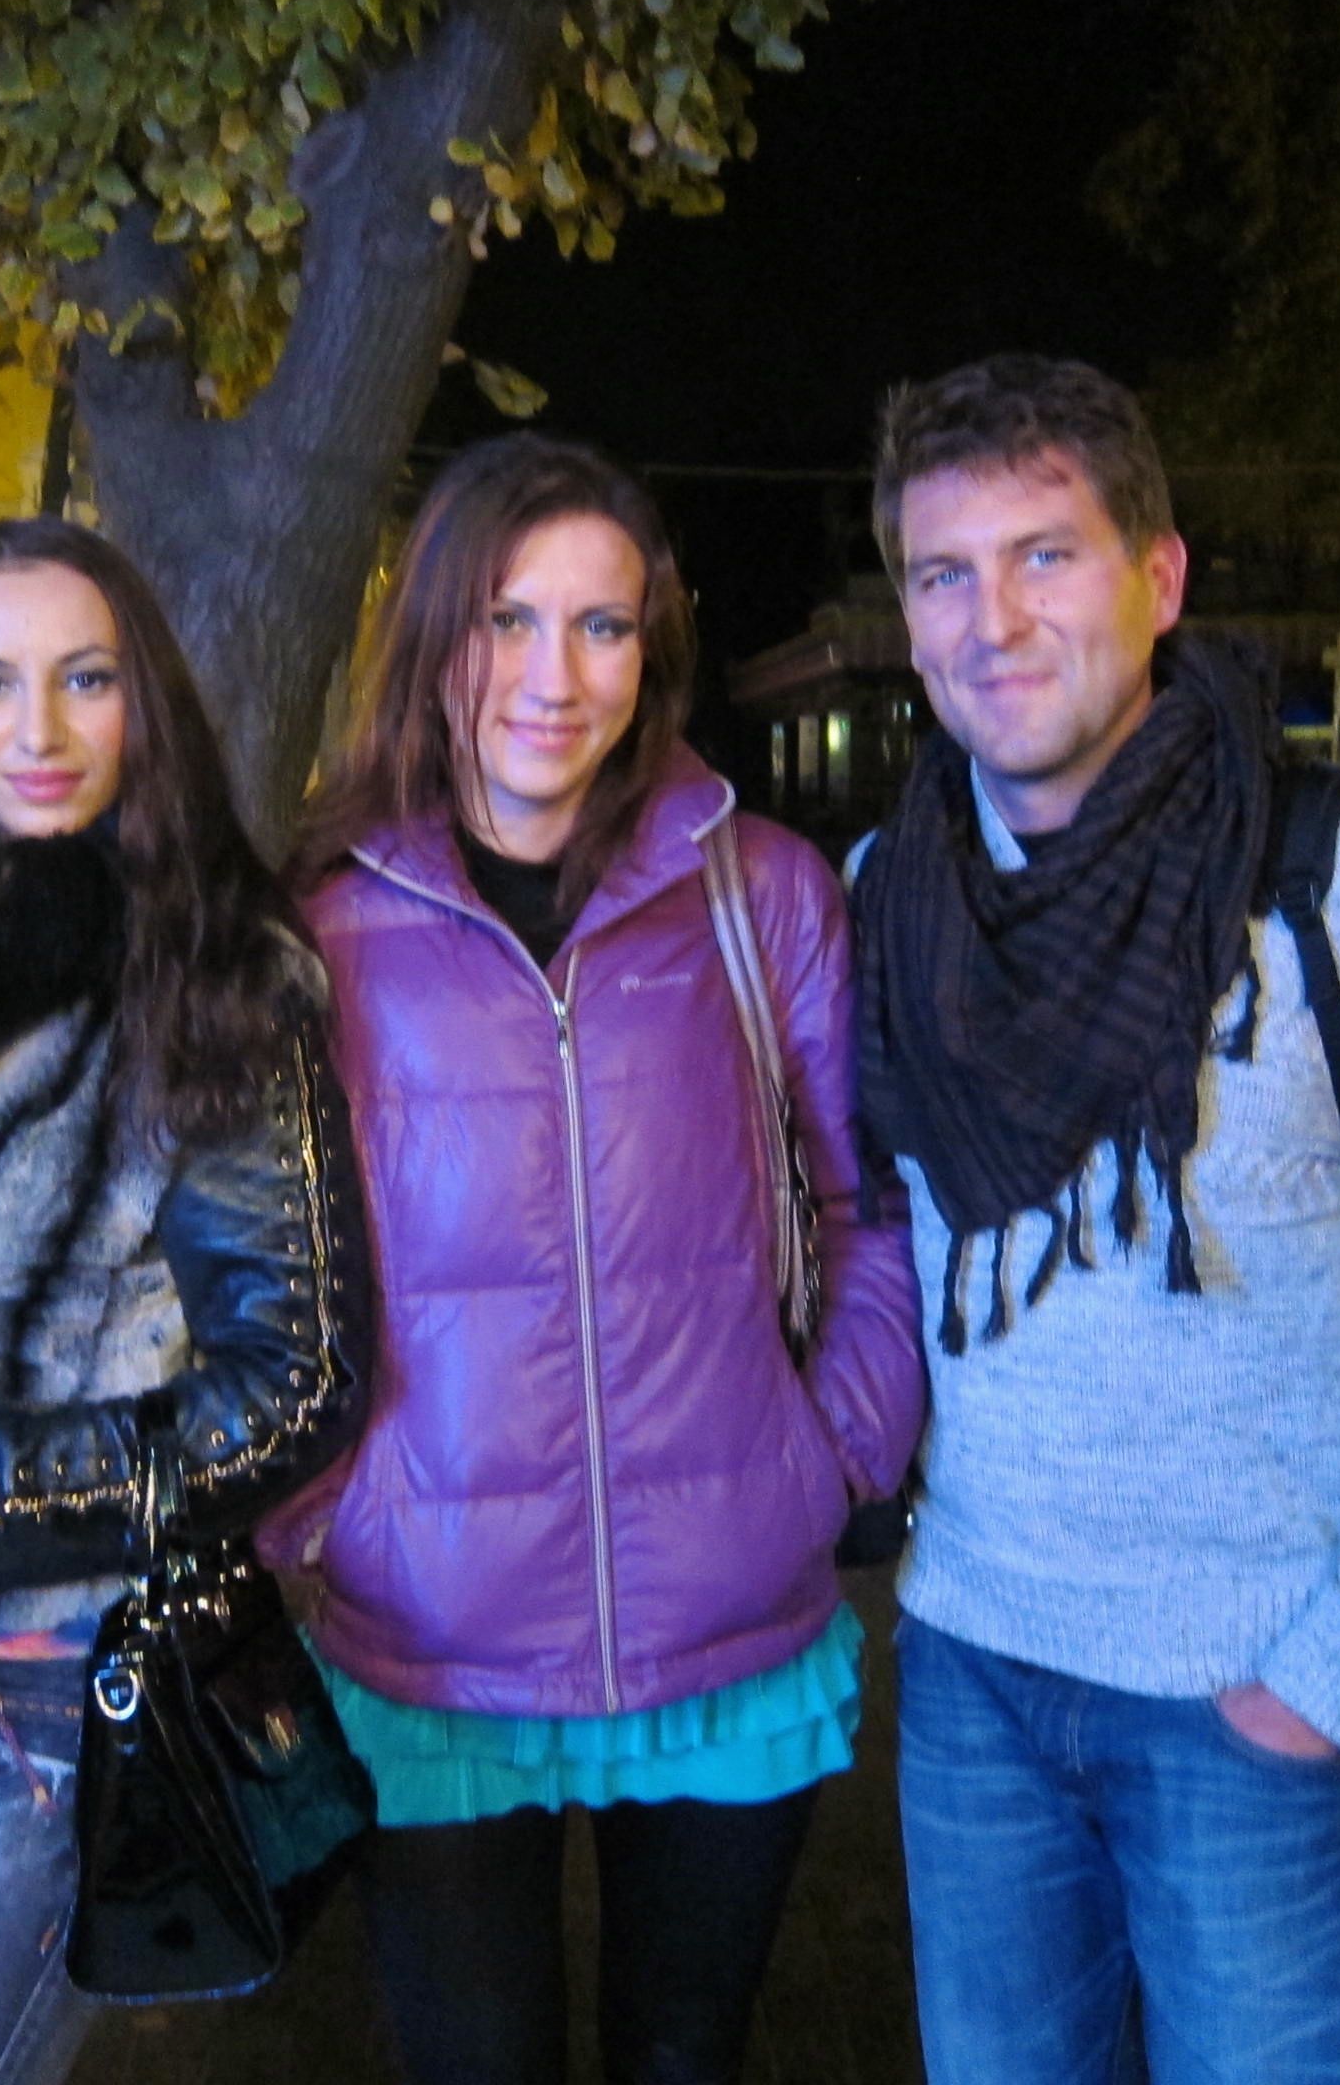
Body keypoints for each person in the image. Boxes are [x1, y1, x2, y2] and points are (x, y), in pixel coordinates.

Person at [849, 355, 1340, 2082]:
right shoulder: (889, 899)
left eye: (1046, 555)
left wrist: (1337, 1672)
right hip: (973, 1682)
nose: (993, 620)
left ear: (1161, 576)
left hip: (1256, 1699)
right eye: (944, 573)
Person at [272, 434, 926, 2085]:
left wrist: (831, 1456)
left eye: (603, 626)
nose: (553, 678)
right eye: (507, 619)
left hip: (727, 1622)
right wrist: (323, 1514)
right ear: (433, 635)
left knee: (683, 2061)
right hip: (427, 1637)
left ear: (654, 651)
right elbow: (253, 1270)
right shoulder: (318, 925)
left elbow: (871, 1208)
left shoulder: (761, 894)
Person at [0, 517, 374, 2085]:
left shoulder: (216, 975)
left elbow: (298, 1384)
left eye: (85, 679)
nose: (34, 730)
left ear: (144, 703)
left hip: (55, 1688)